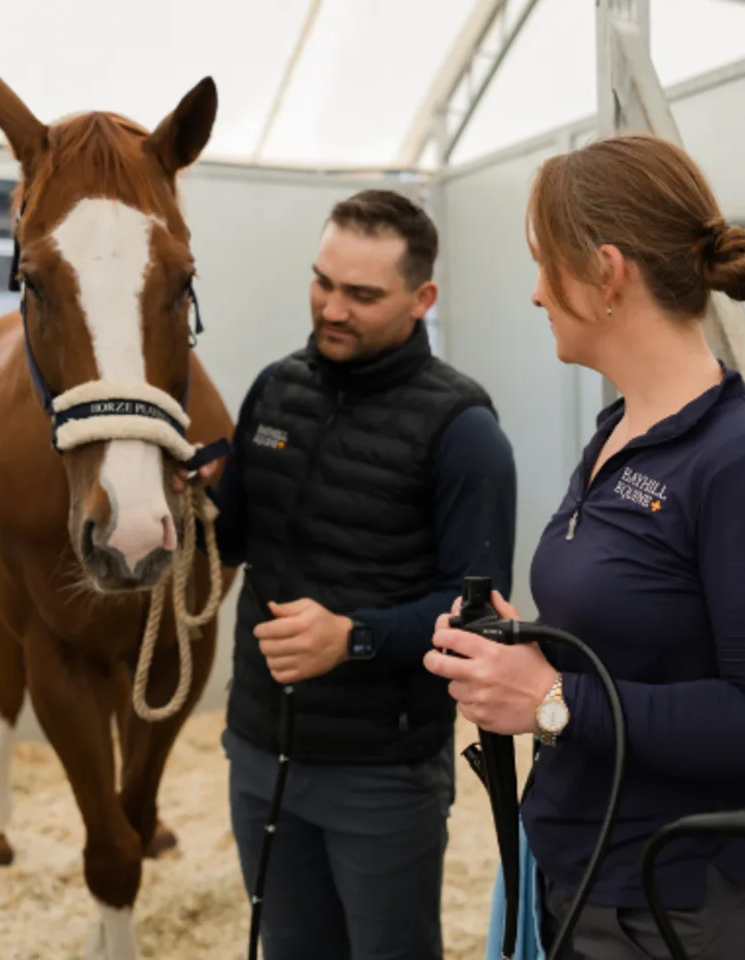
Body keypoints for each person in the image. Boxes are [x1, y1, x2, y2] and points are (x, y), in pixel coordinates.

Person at [424, 134, 745, 959]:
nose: (536, 292)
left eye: (546, 264)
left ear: (607, 273)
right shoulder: (621, 426)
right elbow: (633, 640)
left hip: (676, 906)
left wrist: (552, 700)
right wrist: (518, 651)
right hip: (579, 875)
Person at [193, 188, 518, 959]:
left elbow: (479, 616)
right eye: (322, 282)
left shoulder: (464, 430)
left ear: (421, 297)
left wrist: (355, 637)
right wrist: (197, 503)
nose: (332, 308)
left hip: (382, 773)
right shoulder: (275, 390)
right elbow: (233, 537)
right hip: (259, 750)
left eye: (362, 294)